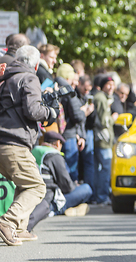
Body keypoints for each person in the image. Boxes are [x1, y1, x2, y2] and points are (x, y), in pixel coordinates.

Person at [0, 45, 58, 246]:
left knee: (24, 183)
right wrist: (51, 112)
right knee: (37, 186)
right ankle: (8, 223)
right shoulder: (29, 78)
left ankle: (20, 228)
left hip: (3, 143)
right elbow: (33, 111)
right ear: (35, 66)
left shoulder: (5, 78)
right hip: (15, 143)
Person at [28, 131, 92, 234]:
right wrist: (75, 185)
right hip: (49, 198)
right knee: (86, 189)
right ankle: (58, 209)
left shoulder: (34, 151)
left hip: (32, 197)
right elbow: (67, 186)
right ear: (58, 143)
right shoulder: (54, 155)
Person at [56, 64, 89, 182]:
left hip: (59, 133)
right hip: (69, 135)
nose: (75, 85)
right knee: (71, 171)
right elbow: (77, 115)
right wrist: (84, 112)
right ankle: (72, 196)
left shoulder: (55, 86)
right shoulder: (68, 90)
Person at [93, 76, 116, 205]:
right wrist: (113, 118)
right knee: (106, 167)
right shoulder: (101, 98)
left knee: (99, 169)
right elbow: (104, 121)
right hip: (103, 140)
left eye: (113, 84)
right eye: (108, 84)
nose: (111, 87)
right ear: (102, 86)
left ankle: (98, 196)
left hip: (102, 139)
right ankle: (102, 196)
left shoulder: (104, 98)